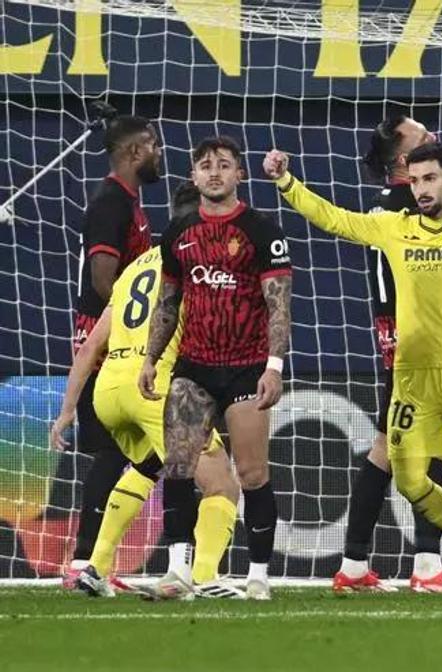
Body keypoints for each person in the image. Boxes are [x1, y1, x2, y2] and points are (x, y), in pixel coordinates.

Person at [264, 140, 442, 599]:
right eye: (414, 181)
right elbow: (336, 219)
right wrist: (287, 184)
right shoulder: (394, 228)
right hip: (414, 379)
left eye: (430, 178)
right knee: (411, 479)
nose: (422, 189)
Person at [139, 136, 293, 600]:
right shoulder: (179, 234)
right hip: (195, 367)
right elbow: (167, 303)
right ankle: (177, 571)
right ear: (193, 176)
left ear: (239, 175)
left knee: (251, 473)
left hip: (247, 369)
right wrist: (149, 359)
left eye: (224, 165)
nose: (214, 173)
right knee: (180, 467)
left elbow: (279, 307)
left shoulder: (262, 232)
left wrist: (274, 367)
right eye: (205, 166)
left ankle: (259, 574)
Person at [51, 240, 244, 599]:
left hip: (108, 390)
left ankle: (95, 568)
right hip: (154, 384)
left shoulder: (134, 268)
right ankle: (202, 577)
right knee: (222, 484)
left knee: (147, 466)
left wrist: (67, 410)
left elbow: (91, 344)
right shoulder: (194, 261)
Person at [333, 112, 442, 594]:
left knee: (390, 445)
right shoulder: (408, 206)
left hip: (399, 335)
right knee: (432, 443)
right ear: (405, 160)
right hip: (417, 336)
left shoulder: (390, 204)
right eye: (423, 135)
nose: (433, 135)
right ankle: (427, 564)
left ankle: (352, 564)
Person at [63, 115, 163, 589]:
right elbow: (105, 280)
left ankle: (90, 559)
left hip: (110, 339)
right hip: (104, 341)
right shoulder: (110, 205)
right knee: (108, 451)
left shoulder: (127, 202)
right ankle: (85, 559)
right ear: (135, 152)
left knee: (117, 453)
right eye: (154, 146)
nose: (160, 155)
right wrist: (128, 330)